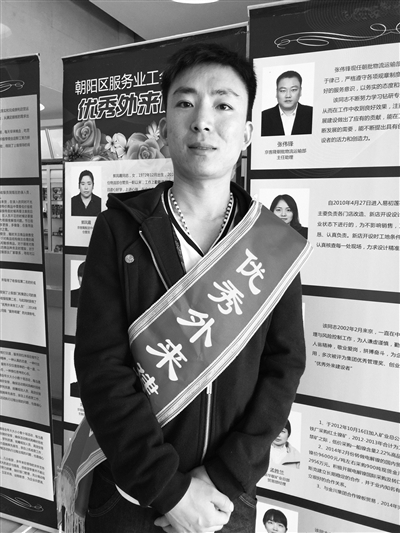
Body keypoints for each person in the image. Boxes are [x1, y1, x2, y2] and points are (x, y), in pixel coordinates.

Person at [57, 42, 311, 533]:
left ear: (247, 133)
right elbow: (100, 367)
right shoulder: (119, 229)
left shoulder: (271, 243)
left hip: (223, 502)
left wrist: (223, 478)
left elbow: (283, 368)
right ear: (166, 125)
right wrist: (169, 490)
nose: (202, 121)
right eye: (185, 102)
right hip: (128, 495)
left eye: (223, 105)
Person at [261, 70, 313, 136]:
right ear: (276, 92)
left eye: (293, 90)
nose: (288, 95)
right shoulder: (263, 117)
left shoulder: (312, 114)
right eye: (283, 90)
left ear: (300, 91)